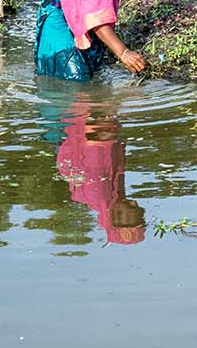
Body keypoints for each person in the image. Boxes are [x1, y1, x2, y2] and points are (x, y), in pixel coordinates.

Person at [54, 103, 146, 244]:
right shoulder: (112, 194)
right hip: (83, 127)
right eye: (140, 211)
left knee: (86, 96)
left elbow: (93, 142)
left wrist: (97, 114)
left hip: (82, 120)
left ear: (115, 216)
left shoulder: (98, 192)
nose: (134, 203)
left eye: (133, 211)